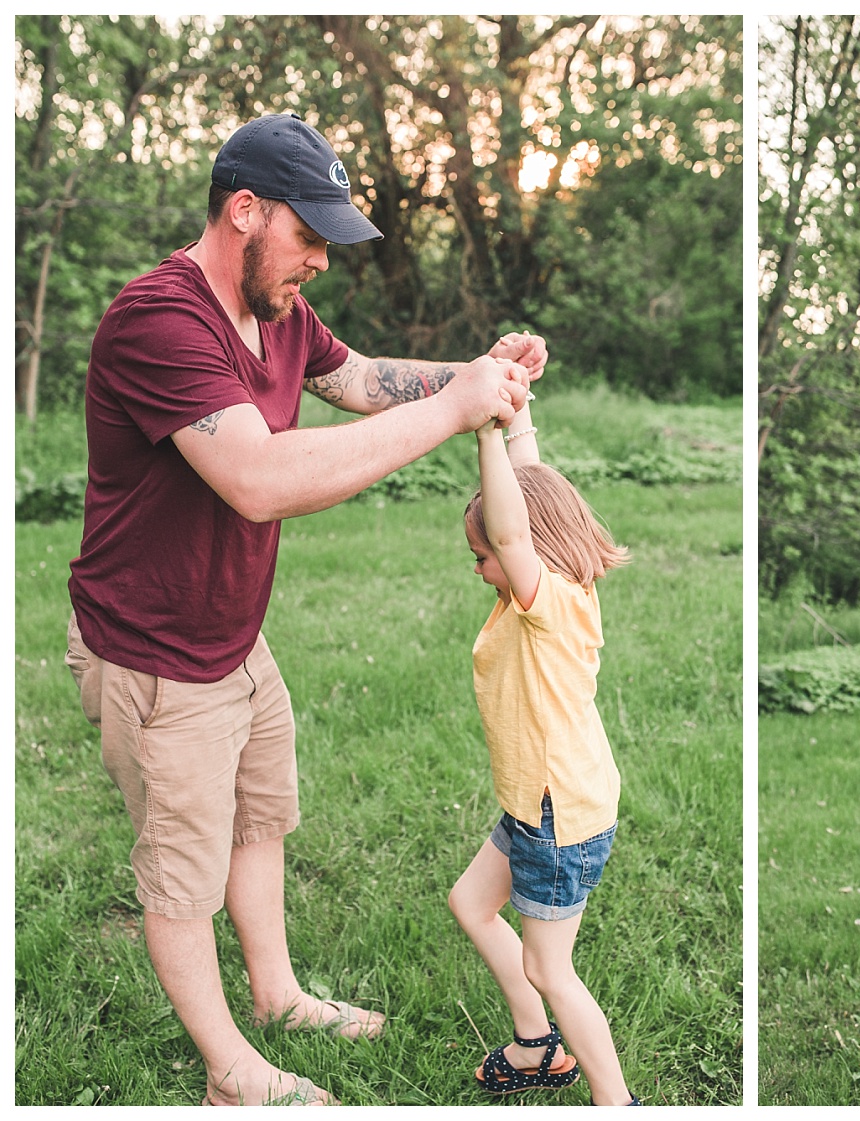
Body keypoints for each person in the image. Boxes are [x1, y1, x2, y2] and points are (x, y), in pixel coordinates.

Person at [64, 112, 540, 1107]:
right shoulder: (161, 318)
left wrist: (475, 375)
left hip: (231, 633)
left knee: (259, 819)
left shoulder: (275, 308)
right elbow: (257, 477)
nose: (321, 259)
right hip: (156, 654)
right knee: (183, 873)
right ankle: (231, 1067)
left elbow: (360, 378)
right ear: (245, 209)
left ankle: (275, 994)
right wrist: (449, 413)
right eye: (309, 234)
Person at [444, 378, 639, 1106]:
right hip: (541, 802)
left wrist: (483, 432)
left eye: (483, 553)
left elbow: (512, 528)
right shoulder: (558, 583)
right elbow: (528, 495)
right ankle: (537, 1048)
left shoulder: (545, 600)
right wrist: (514, 406)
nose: (480, 566)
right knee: (471, 902)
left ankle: (615, 1100)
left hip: (558, 816)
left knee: (550, 968)